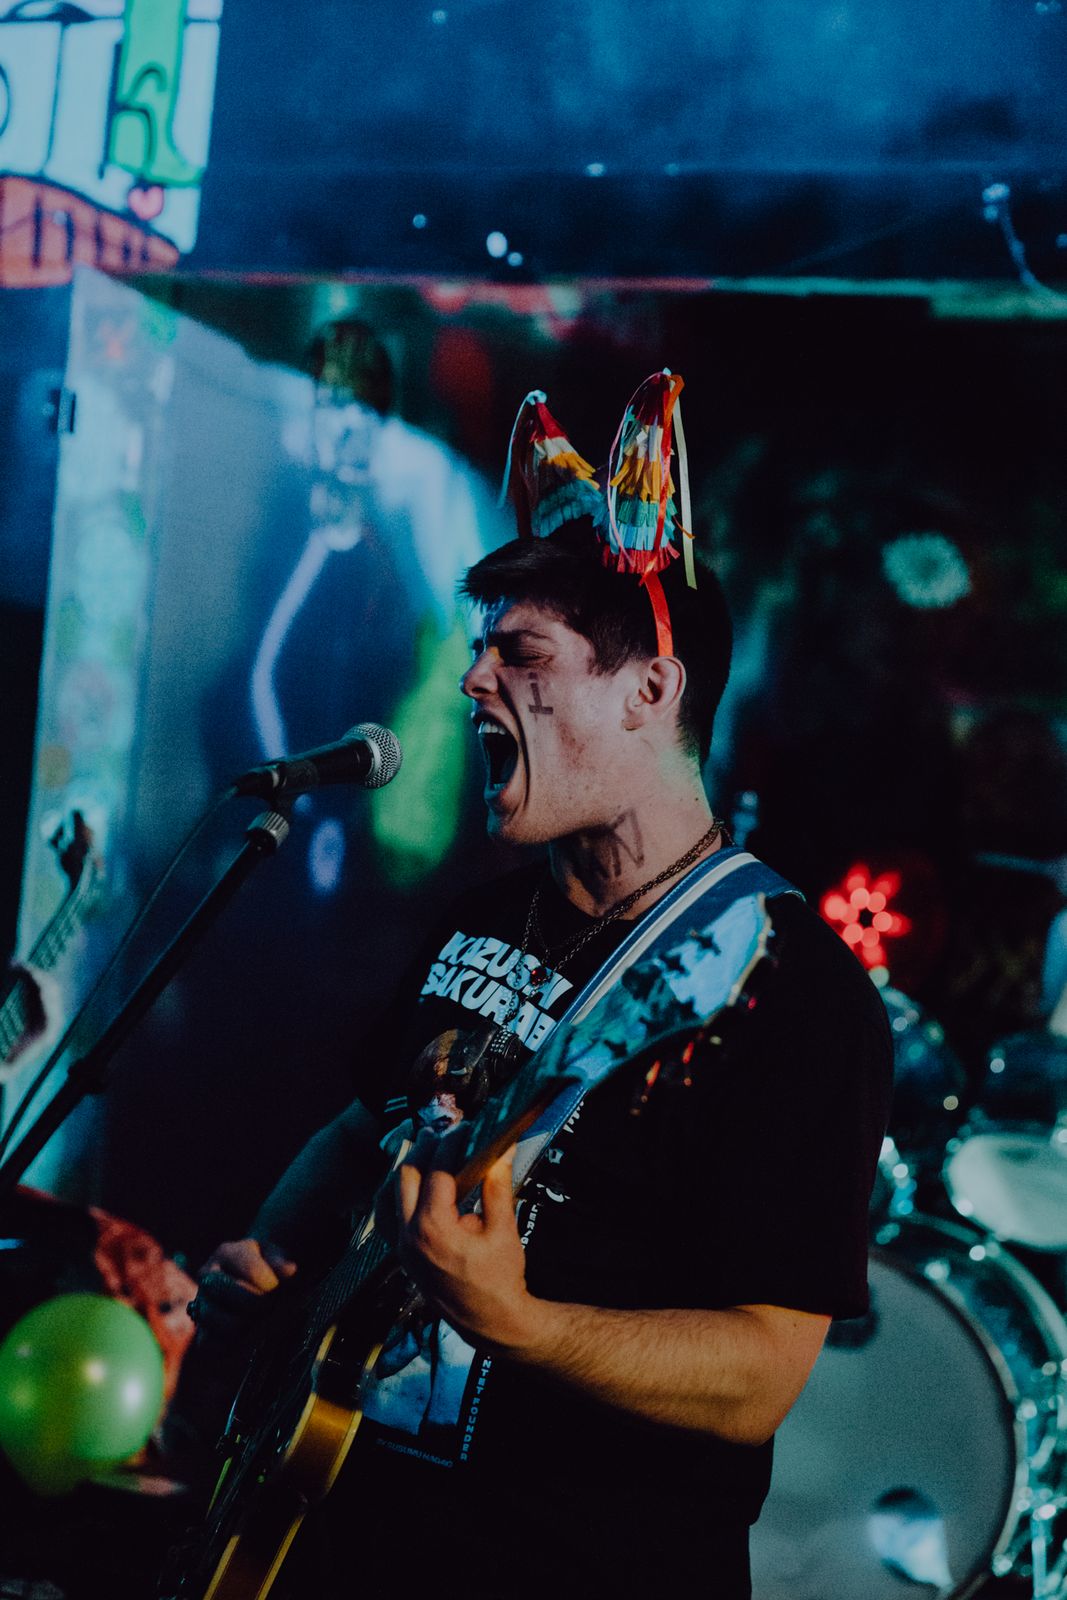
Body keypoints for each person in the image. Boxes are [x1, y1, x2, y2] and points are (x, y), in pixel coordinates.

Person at [180, 380, 892, 1600]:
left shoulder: (787, 992)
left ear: (648, 689)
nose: (471, 682)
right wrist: (276, 1261)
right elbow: (362, 1126)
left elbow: (761, 1371)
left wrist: (523, 1323)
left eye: (519, 653)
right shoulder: (481, 912)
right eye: (478, 650)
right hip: (339, 1531)